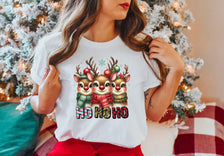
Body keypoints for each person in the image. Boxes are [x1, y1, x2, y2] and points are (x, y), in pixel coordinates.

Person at [30, 0, 185, 155]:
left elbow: (153, 114)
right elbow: (36, 100)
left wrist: (177, 69)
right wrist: (44, 102)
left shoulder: (140, 48)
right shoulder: (53, 46)